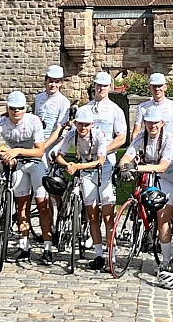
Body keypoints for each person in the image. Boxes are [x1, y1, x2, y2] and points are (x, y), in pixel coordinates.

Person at [118, 105, 173, 274]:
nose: (152, 126)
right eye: (149, 123)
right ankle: (166, 261)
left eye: (156, 123)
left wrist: (135, 169)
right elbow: (126, 157)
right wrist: (124, 167)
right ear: (144, 122)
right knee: (162, 218)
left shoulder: (169, 138)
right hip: (165, 178)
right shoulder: (141, 137)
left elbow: (161, 166)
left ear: (162, 123)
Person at [0, 90, 46, 261]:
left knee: (42, 204)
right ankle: (24, 244)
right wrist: (2, 151)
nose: (16, 112)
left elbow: (40, 150)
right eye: (12, 108)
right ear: (7, 108)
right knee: (21, 206)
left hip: (35, 162)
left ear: (25, 108)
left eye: (20, 108)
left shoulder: (33, 121)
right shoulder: (1, 122)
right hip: (17, 164)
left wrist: (18, 150)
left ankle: (48, 246)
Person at [54, 105, 108, 264]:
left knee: (98, 211)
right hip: (82, 166)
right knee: (90, 211)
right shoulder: (71, 134)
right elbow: (59, 155)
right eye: (80, 124)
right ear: (75, 123)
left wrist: (77, 166)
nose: (83, 127)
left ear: (92, 124)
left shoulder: (99, 135)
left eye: (86, 124)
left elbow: (100, 162)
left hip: (98, 169)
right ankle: (98, 254)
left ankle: (104, 253)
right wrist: (67, 165)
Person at [85, 71, 128, 270]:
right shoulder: (86, 109)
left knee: (108, 214)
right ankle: (98, 253)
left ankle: (112, 252)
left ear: (110, 87)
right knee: (92, 212)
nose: (100, 88)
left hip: (106, 165)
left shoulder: (115, 110)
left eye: (104, 86)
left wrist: (102, 150)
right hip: (87, 165)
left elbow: (121, 137)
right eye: (98, 85)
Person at [33, 64, 71, 265]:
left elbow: (58, 129)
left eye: (57, 82)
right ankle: (47, 227)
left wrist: (45, 148)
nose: (53, 84)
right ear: (46, 81)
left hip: (52, 147)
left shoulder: (63, 102)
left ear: (61, 84)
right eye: (50, 81)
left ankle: (58, 223)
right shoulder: (39, 98)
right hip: (39, 145)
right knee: (40, 191)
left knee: (53, 189)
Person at [132, 73, 173, 153]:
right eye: (154, 86)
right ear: (149, 87)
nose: (157, 89)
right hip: (149, 151)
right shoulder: (142, 107)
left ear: (165, 87)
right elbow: (136, 131)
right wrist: (134, 153)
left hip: (169, 149)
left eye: (160, 86)